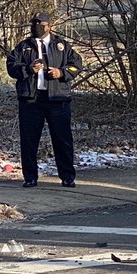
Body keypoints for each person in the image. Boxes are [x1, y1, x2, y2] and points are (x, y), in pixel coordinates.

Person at [6, 12, 83, 188]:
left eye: (39, 23)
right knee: (29, 140)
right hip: (31, 100)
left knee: (62, 139)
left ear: (48, 25)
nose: (36, 27)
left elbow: (76, 64)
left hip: (57, 98)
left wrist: (61, 73)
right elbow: (11, 66)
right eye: (33, 24)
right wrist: (28, 69)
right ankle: (30, 177)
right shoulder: (24, 46)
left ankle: (67, 176)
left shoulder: (61, 45)